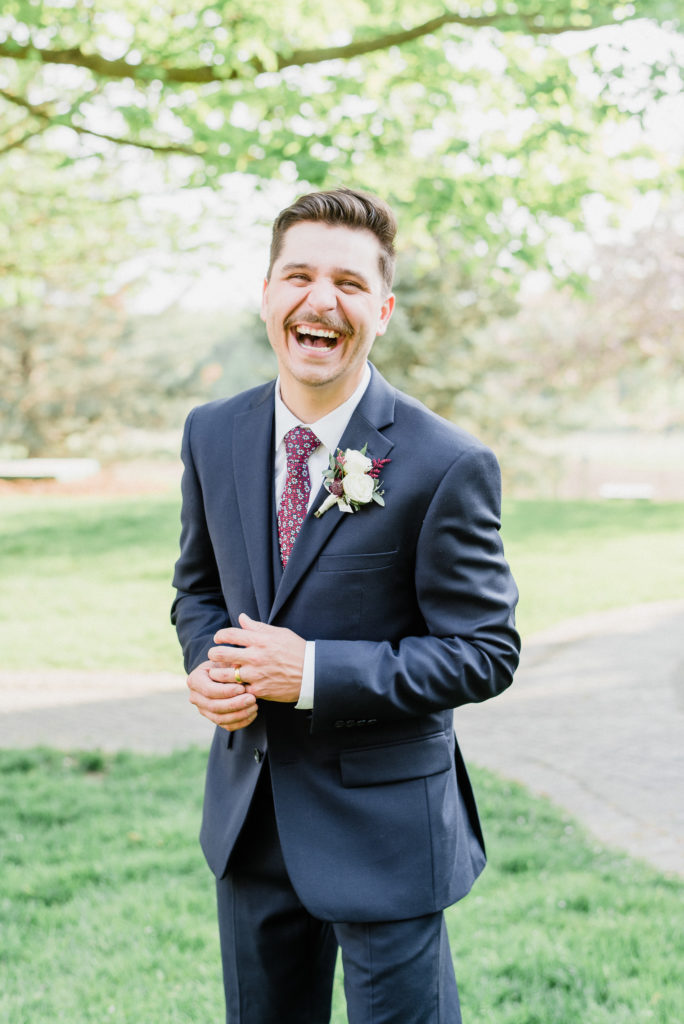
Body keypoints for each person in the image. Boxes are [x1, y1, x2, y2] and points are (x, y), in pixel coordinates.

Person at [171, 186, 520, 1024]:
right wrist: (206, 663)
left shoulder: (446, 462)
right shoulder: (212, 432)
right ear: (267, 295)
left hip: (387, 828)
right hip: (251, 817)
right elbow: (199, 585)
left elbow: (485, 650)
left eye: (351, 284)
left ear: (384, 308)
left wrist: (314, 671)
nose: (320, 300)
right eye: (298, 276)